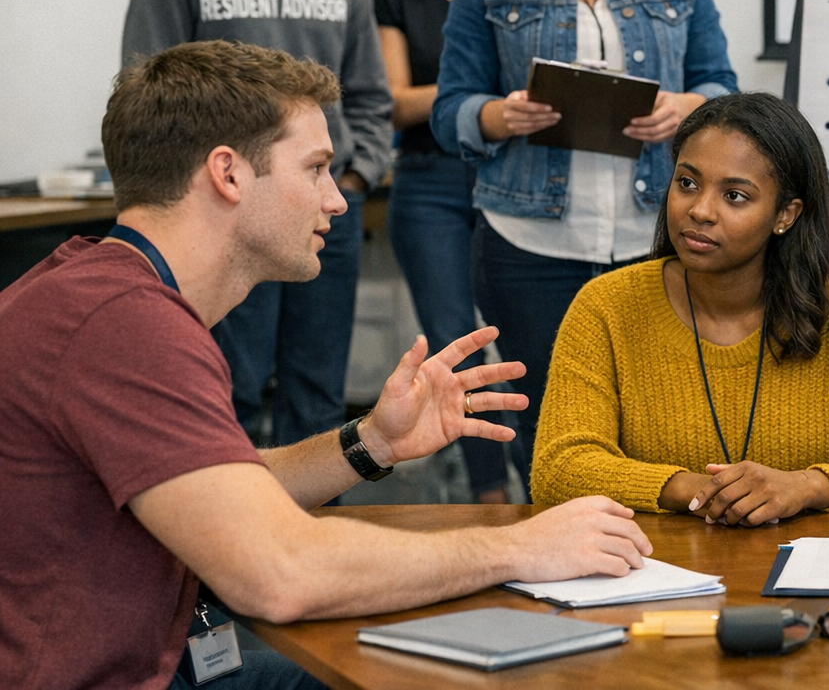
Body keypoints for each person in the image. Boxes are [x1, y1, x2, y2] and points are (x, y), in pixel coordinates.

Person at [0, 41, 651, 690]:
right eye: (315, 169)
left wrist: (372, 441)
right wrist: (521, 546)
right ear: (227, 174)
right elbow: (280, 574)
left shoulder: (102, 289)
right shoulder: (125, 325)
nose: (338, 202)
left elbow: (222, 491)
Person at [432, 0, 738, 490]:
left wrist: (685, 108)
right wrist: (499, 116)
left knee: (659, 424)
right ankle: (554, 566)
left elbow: (723, 86)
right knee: (544, 424)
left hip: (654, 238)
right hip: (528, 243)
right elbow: (453, 108)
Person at [531, 92, 829, 525]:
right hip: (653, 573)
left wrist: (804, 486)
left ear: (785, 214)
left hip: (813, 580)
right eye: (687, 183)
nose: (700, 210)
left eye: (734, 196)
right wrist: (693, 490)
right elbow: (559, 469)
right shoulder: (605, 307)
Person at [122, 0, 392, 447]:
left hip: (331, 208)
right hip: (227, 215)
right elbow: (146, 94)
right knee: (228, 382)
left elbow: (371, 97)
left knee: (320, 385)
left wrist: (353, 177)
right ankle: (224, 528)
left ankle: (318, 534)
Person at [373, 0, 511, 503]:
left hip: (505, 177)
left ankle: (545, 482)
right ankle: (487, 494)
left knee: (524, 337)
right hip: (428, 182)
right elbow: (395, 100)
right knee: (458, 342)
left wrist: (468, 102)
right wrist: (478, 100)